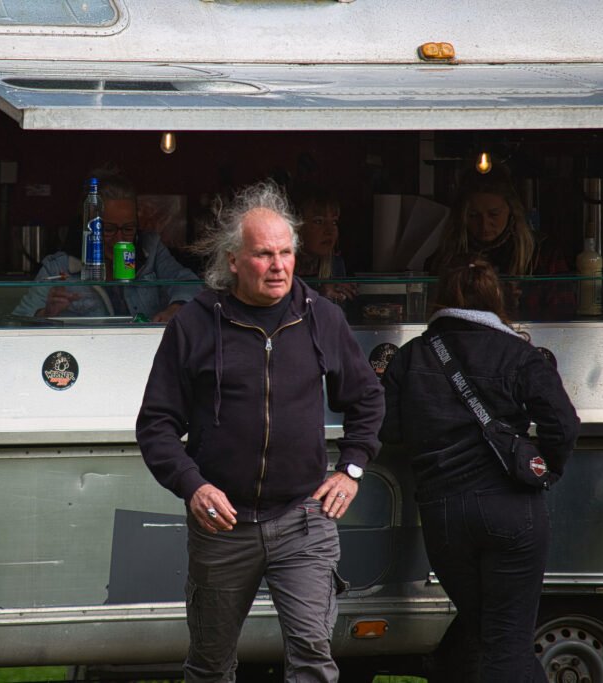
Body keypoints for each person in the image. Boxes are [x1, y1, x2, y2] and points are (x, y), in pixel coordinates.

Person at [135, 180, 385, 683]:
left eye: (286, 252)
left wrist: (351, 469)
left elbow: (366, 399)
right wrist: (193, 486)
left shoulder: (322, 318)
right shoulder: (195, 325)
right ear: (233, 260)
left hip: (303, 520)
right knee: (209, 666)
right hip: (223, 527)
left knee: (314, 658)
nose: (279, 266)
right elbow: (157, 425)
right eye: (264, 254)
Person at [379, 256, 579, 683]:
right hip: (511, 508)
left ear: (439, 299)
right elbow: (562, 423)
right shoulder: (519, 352)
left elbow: (389, 428)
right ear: (496, 300)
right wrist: (546, 468)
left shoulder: (411, 355)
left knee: (487, 636)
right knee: (505, 645)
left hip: (443, 514)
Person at [12, 171, 201, 322]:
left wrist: (176, 308)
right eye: (108, 229)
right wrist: (46, 314)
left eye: (128, 228)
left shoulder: (150, 249)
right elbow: (18, 320)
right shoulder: (60, 267)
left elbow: (188, 282)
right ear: (89, 226)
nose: (120, 239)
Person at [426, 166, 572, 317]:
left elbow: (563, 314)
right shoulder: (448, 257)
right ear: (462, 217)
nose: (484, 224)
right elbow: (434, 314)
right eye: (474, 215)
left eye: (494, 214)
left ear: (511, 210)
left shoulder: (541, 254)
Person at [294, 187, 356, 305]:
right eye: (319, 221)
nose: (330, 231)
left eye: (334, 222)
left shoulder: (335, 265)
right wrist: (319, 295)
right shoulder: (280, 265)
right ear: (297, 226)